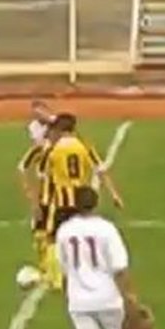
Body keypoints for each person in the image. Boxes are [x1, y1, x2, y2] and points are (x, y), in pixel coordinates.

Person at [56, 186, 138, 329]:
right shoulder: (106, 229)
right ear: (96, 202)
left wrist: (67, 295)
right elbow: (119, 267)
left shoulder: (64, 231)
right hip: (107, 296)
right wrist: (130, 296)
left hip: (78, 300)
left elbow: (63, 268)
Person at [41, 113, 125, 291]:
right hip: (81, 199)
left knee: (52, 238)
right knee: (82, 235)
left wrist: (44, 201)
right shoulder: (84, 146)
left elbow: (45, 175)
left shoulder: (53, 150)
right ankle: (85, 268)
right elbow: (101, 170)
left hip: (61, 200)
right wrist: (114, 194)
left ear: (60, 130)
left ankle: (56, 278)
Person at [17, 101, 57, 283]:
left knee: (51, 232)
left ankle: (54, 271)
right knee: (42, 231)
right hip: (46, 193)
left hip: (57, 194)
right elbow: (23, 167)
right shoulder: (38, 139)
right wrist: (31, 195)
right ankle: (48, 268)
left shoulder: (56, 129)